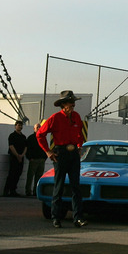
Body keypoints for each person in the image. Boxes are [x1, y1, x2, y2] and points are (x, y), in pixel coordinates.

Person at [36, 90, 88, 228]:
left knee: (76, 186)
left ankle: (78, 218)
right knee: (58, 186)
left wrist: (79, 146)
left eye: (73, 102)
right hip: (60, 153)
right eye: (71, 102)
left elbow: (79, 135)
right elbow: (40, 134)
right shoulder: (54, 118)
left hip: (73, 154)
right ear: (63, 105)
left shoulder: (77, 117)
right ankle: (56, 217)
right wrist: (48, 151)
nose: (73, 105)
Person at [3, 120, 27, 197]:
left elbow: (26, 147)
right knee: (11, 174)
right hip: (13, 157)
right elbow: (11, 146)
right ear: (15, 126)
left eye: (21, 125)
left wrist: (22, 155)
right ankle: (6, 191)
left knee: (18, 173)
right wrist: (17, 155)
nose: (20, 127)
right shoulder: (12, 136)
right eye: (18, 125)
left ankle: (13, 190)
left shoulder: (23, 137)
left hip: (21, 157)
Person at [25, 123, 46, 197]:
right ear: (34, 129)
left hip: (41, 160)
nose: (39, 128)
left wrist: (44, 158)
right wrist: (30, 158)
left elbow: (45, 148)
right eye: (37, 127)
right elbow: (27, 149)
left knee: (39, 176)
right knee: (30, 176)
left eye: (40, 127)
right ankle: (28, 191)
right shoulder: (31, 138)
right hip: (33, 160)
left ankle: (35, 191)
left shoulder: (43, 137)